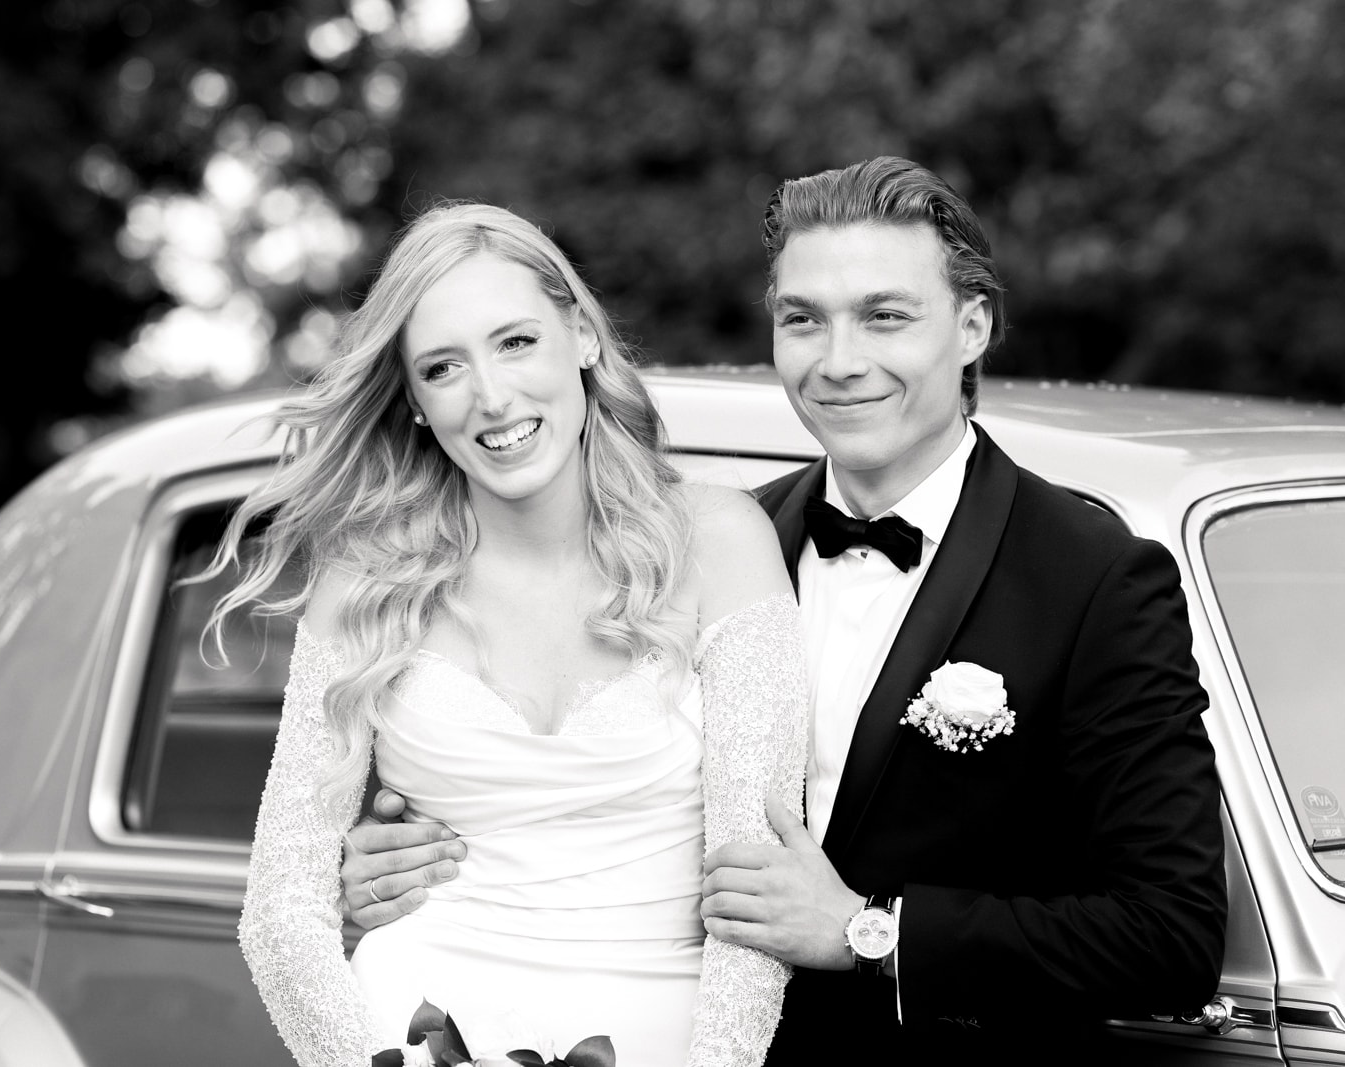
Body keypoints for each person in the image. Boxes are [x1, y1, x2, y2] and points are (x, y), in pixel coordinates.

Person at [340, 160, 1229, 1061]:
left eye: (885, 316)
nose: (839, 362)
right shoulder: (700, 549)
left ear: (972, 327)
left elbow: (1171, 935)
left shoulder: (1093, 578)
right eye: (803, 320)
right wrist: (392, 862)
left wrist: (869, 931)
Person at [221, 202, 807, 1067]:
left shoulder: (721, 542)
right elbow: (280, 906)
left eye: (517, 342)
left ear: (582, 337)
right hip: (410, 1034)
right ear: (415, 402)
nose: (491, 396)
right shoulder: (366, 576)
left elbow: (753, 893)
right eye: (443, 367)